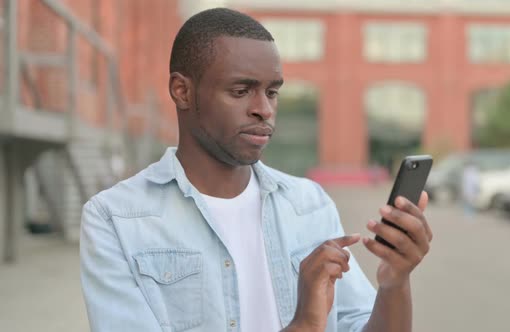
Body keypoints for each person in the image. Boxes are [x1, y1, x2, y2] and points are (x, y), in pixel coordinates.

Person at [80, 8, 433, 332]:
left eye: (273, 92)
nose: (264, 109)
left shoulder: (308, 203)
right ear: (182, 91)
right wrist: (306, 324)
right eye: (240, 90)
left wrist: (394, 283)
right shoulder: (116, 218)